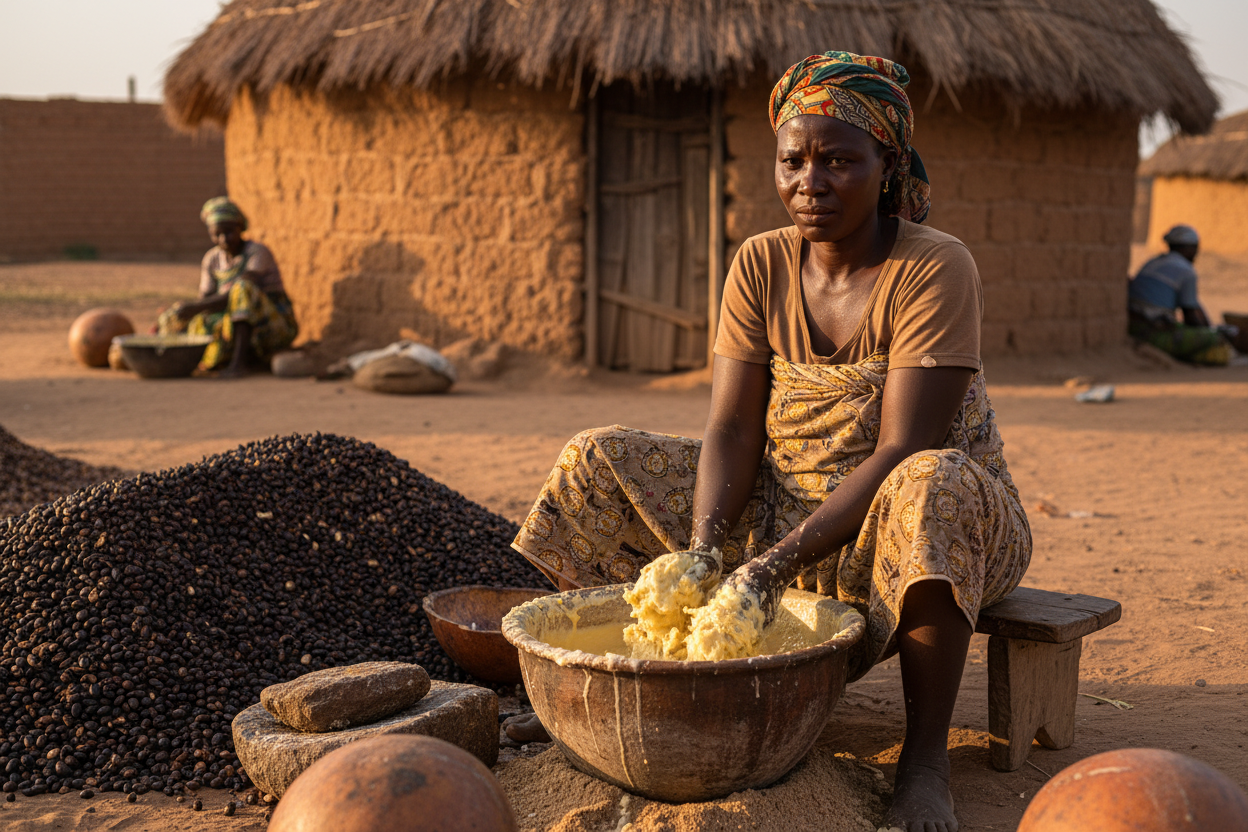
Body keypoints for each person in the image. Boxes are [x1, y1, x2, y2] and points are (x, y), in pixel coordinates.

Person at [511, 52, 1031, 832]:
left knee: (934, 479)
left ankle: (923, 766)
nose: (809, 183)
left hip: (927, 527)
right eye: (792, 160)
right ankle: (600, 689)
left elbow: (899, 451)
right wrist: (706, 548)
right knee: (596, 457)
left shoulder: (934, 268)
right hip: (784, 508)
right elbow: (730, 426)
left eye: (838, 161)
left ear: (886, 163)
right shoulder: (759, 261)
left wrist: (768, 567)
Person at [157, 197, 298, 377]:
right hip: (232, 323)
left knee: (242, 289)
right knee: (188, 319)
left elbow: (236, 295)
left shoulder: (257, 253)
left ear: (240, 227)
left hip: (274, 327)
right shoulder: (212, 259)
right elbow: (206, 300)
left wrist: (193, 308)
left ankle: (238, 364)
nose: (224, 239)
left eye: (229, 232)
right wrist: (183, 314)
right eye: (217, 234)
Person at [1128, 225, 1235, 365]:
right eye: (1195, 248)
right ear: (1188, 248)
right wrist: (1210, 334)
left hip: (1132, 327)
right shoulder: (1186, 271)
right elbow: (1190, 316)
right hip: (1152, 334)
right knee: (1218, 339)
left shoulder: (1153, 262)